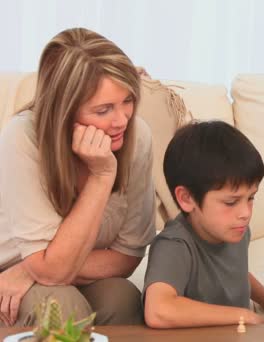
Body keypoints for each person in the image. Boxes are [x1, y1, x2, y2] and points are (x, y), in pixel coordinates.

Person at [0, 28, 156, 327]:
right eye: (103, 109)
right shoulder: (21, 139)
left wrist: (31, 269)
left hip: (44, 271)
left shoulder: (138, 137)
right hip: (6, 277)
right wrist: (102, 176)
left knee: (121, 298)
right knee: (62, 308)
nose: (122, 119)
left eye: (128, 100)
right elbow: (50, 273)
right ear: (65, 111)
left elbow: (127, 257)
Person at [143, 120, 264, 328]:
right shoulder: (174, 245)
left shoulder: (234, 230)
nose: (245, 213)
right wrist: (244, 316)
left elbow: (235, 272)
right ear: (186, 198)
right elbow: (159, 310)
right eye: (231, 202)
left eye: (251, 198)